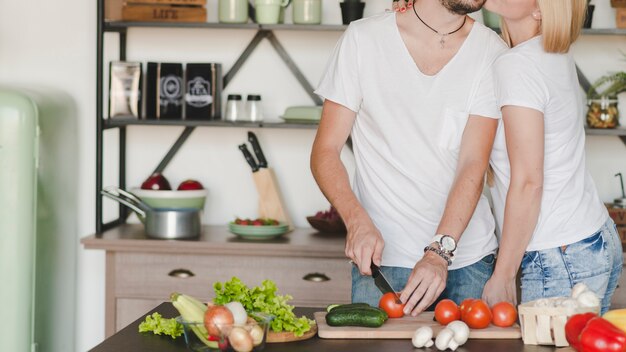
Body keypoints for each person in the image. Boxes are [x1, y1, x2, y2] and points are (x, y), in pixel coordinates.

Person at [310, 0, 507, 316]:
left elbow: (474, 163)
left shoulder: (491, 51)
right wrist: (356, 220)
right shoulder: (363, 40)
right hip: (383, 262)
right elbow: (325, 151)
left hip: (468, 260)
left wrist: (439, 253)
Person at [475, 0, 623, 315]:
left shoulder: (517, 65)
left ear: (542, 9)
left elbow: (529, 182)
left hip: (558, 254)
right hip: (594, 238)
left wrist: (503, 274)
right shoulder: (551, 54)